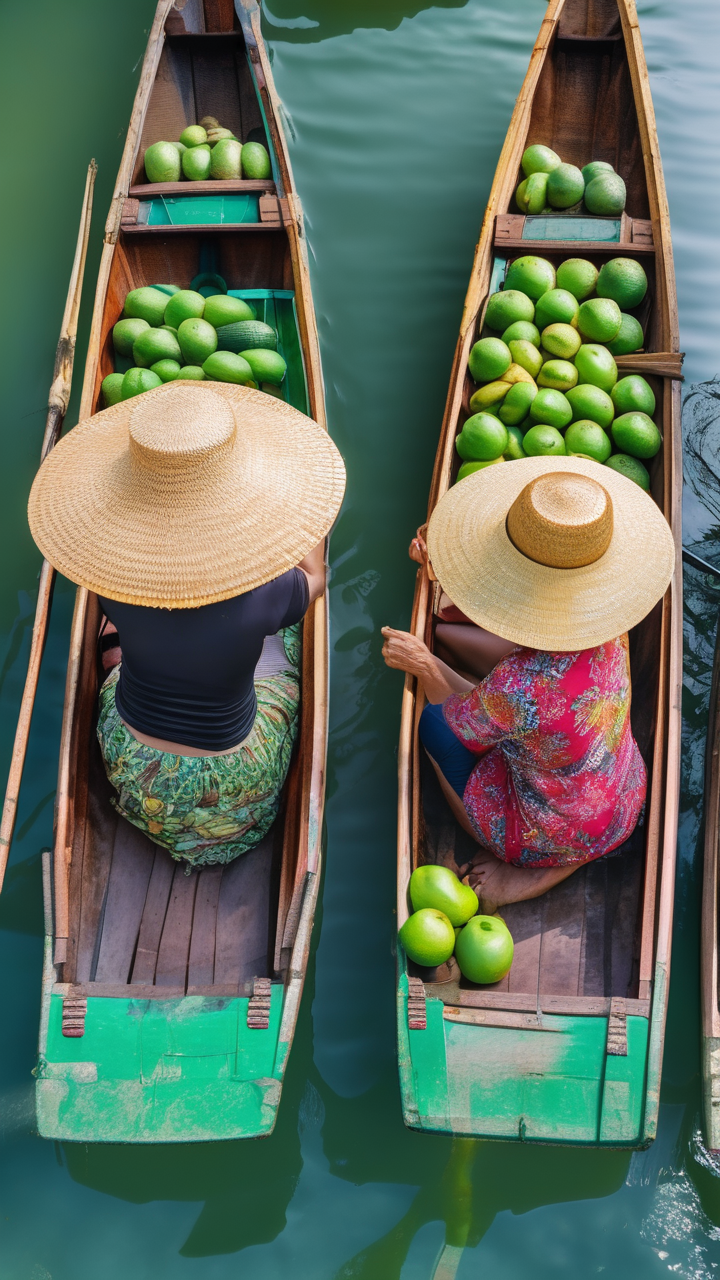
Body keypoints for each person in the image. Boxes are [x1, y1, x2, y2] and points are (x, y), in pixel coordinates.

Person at [28, 380, 346, 868]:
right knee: (288, 643)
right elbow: (316, 575)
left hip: (134, 764)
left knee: (118, 639)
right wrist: (301, 519)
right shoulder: (269, 590)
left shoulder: (112, 574)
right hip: (233, 777)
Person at [382, 458, 675, 912]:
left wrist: (423, 665)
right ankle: (580, 850)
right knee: (459, 649)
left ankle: (536, 864)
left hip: (550, 829)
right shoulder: (608, 620)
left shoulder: (521, 683)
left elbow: (460, 722)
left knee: (434, 725)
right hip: (620, 797)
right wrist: (441, 567)